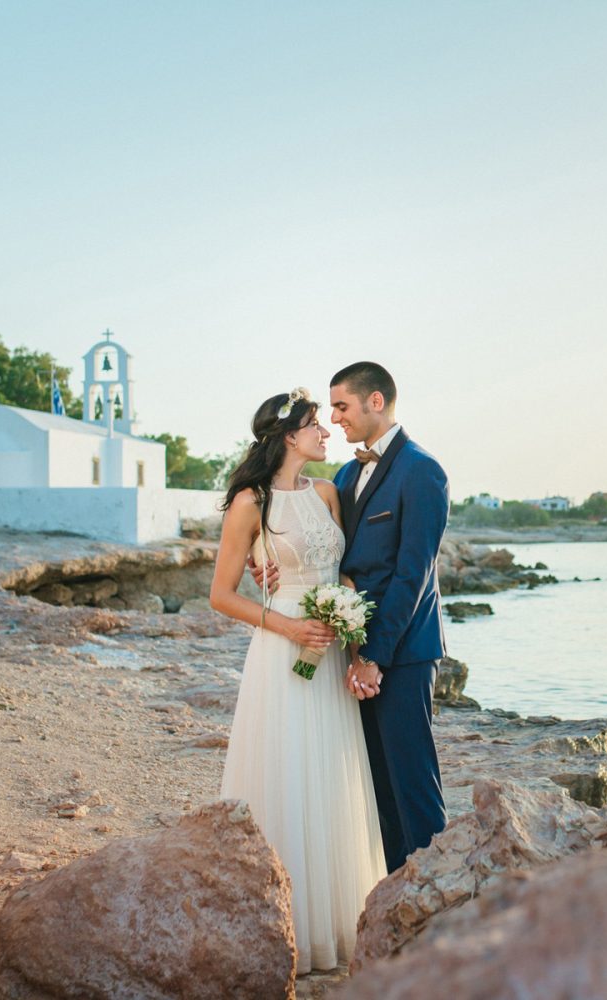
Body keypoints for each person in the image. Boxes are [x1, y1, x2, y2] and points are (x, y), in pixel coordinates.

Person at [210, 388, 386, 975]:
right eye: (316, 425)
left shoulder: (329, 491)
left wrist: (352, 639)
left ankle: (335, 926)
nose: (327, 432)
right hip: (282, 651)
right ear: (289, 436)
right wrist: (288, 626)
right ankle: (285, 929)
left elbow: (344, 571)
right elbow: (221, 595)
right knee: (286, 772)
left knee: (331, 776)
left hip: (331, 651)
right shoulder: (249, 503)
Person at [252, 362, 450, 874]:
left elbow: (415, 576)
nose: (334, 418)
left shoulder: (423, 471)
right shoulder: (342, 476)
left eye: (341, 406)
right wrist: (269, 565)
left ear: (376, 401)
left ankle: (439, 906)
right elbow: (329, 557)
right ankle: (394, 902)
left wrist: (376, 658)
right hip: (350, 652)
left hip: (401, 655)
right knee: (373, 788)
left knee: (413, 785)